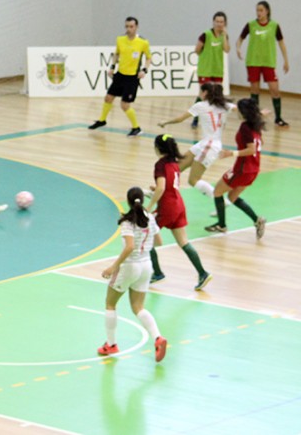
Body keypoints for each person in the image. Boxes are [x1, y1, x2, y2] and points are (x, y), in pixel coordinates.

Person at [98, 186, 167, 362]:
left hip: (130, 266)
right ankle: (158, 337)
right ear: (142, 200)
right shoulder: (150, 218)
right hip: (146, 266)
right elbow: (159, 242)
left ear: (128, 201)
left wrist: (114, 266)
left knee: (110, 303)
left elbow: (129, 247)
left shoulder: (127, 222)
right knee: (139, 308)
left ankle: (111, 344)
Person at [147, 134, 212, 290]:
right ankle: (203, 273)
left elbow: (162, 187)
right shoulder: (174, 164)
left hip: (167, 207)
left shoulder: (160, 165)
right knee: (184, 242)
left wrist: (149, 206)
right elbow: (169, 185)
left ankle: (157, 273)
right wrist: (156, 190)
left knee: (145, 235)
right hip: (178, 204)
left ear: (157, 148)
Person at [157, 83, 235, 202]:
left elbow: (180, 119)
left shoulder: (200, 106)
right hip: (204, 144)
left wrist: (165, 122)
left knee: (193, 180)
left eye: (200, 91)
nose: (199, 94)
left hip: (209, 146)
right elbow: (242, 109)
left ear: (205, 93)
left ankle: (222, 201)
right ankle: (158, 192)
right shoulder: (225, 105)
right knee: (177, 168)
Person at [205, 99, 266, 239]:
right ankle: (257, 220)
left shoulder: (245, 127)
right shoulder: (256, 125)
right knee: (232, 196)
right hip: (254, 169)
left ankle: (221, 225)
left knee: (217, 191)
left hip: (242, 169)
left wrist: (231, 153)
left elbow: (251, 150)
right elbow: (259, 143)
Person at [88, 17, 152, 137]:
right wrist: (112, 67)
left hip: (132, 77)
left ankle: (136, 128)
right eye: (126, 26)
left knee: (125, 105)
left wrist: (144, 70)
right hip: (120, 75)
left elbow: (149, 57)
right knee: (108, 98)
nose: (128, 29)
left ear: (136, 27)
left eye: (131, 27)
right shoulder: (120, 39)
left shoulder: (143, 42)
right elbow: (116, 54)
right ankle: (102, 120)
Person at [236, 0, 290, 128]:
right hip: (253, 61)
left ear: (267, 11)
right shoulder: (250, 25)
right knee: (255, 90)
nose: (258, 13)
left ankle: (278, 118)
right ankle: (255, 117)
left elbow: (281, 43)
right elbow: (240, 39)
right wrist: (238, 48)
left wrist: (286, 60)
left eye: (261, 10)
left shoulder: (274, 25)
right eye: (257, 10)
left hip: (268, 62)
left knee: (275, 90)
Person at [191, 12, 230, 129]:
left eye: (221, 22)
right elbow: (197, 49)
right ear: (213, 22)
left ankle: (217, 119)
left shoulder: (224, 35)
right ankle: (195, 118)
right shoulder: (206, 35)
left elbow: (227, 50)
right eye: (217, 21)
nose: (219, 24)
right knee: (203, 95)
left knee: (218, 94)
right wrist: (205, 57)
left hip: (217, 69)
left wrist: (225, 36)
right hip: (205, 69)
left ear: (225, 23)